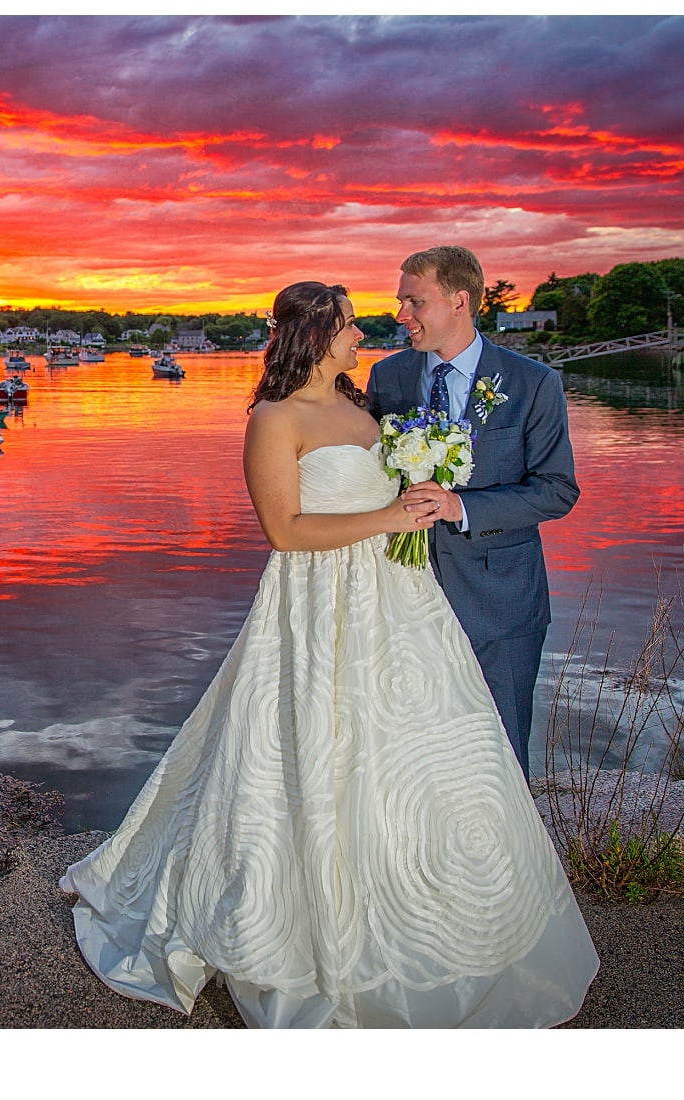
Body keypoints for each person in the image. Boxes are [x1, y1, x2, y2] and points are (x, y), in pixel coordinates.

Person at [60, 281, 598, 1028]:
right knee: (312, 749)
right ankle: (308, 924)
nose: (362, 335)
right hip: (314, 606)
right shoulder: (273, 420)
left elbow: (405, 488)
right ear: (315, 336)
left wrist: (420, 487)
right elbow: (284, 531)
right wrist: (387, 513)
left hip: (399, 602)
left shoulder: (365, 406)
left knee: (425, 750)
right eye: (348, 326)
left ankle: (435, 904)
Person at [367, 246, 579, 779]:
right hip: (403, 596)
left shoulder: (533, 383)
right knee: (411, 756)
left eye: (414, 302)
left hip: (500, 602)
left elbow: (557, 490)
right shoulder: (387, 379)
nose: (401, 316)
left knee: (500, 755)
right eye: (400, 302)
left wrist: (462, 507)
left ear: (460, 301)